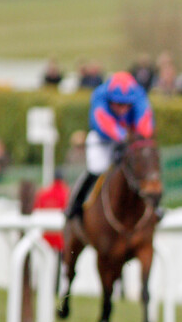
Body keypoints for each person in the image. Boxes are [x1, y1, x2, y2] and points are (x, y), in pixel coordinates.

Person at [65, 71, 155, 220]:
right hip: (103, 138)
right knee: (97, 167)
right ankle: (76, 205)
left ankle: (154, 207)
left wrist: (134, 137)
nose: (123, 109)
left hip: (130, 137)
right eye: (118, 103)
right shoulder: (100, 94)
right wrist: (122, 136)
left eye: (127, 105)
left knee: (145, 165)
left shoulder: (139, 95)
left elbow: (145, 124)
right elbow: (102, 122)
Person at [33, 169, 70, 251]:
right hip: (61, 239)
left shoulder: (42, 194)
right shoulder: (67, 194)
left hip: (44, 240)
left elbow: (35, 211)